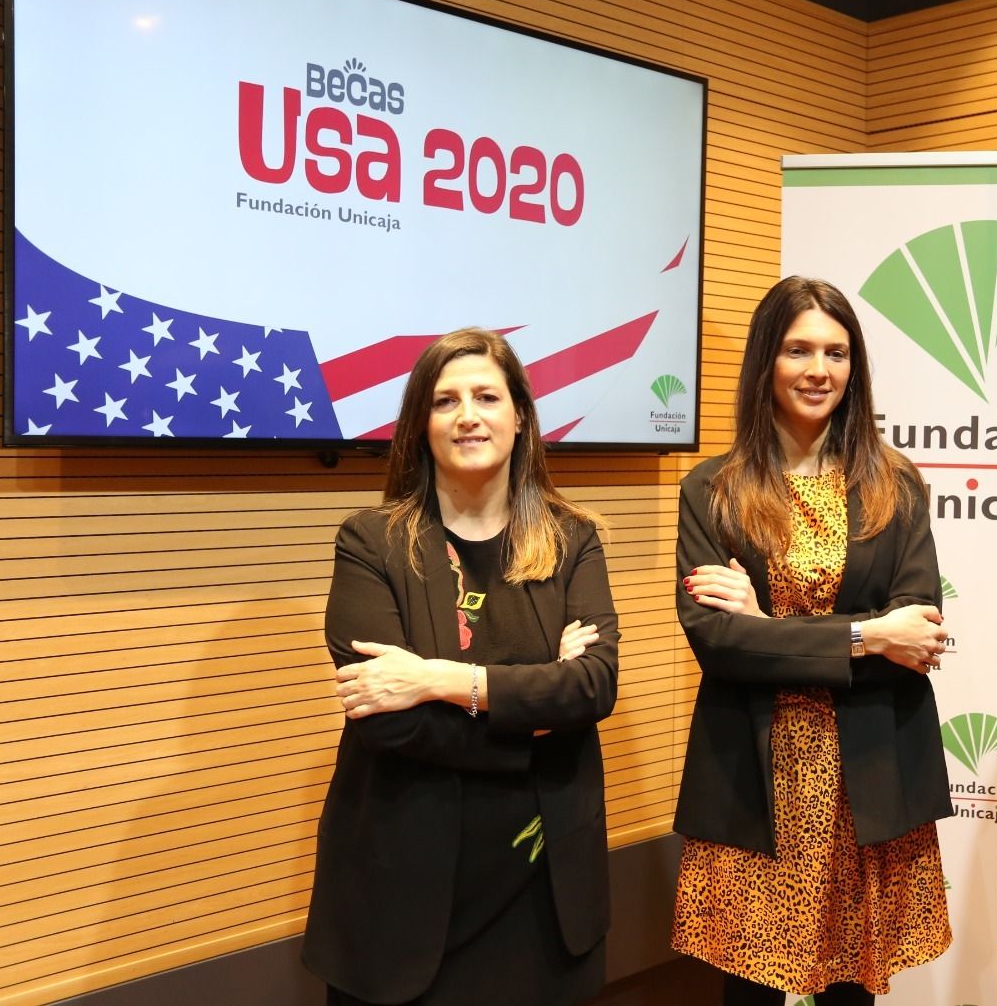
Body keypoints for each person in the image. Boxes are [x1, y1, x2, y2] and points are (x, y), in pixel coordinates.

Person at [302, 328, 620, 1006]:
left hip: (543, 896)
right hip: (403, 905)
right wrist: (533, 720)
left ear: (521, 418)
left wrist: (440, 681)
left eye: (486, 396)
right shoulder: (370, 543)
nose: (468, 415)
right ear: (420, 425)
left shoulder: (573, 540)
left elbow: (592, 687)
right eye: (445, 401)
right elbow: (388, 726)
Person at [670, 276, 954, 1006]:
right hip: (753, 775)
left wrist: (768, 627)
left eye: (836, 351)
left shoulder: (897, 484)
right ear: (767, 360)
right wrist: (864, 635)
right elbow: (718, 644)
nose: (818, 370)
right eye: (798, 349)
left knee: (851, 989)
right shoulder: (713, 490)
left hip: (868, 775)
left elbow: (916, 633)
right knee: (750, 988)